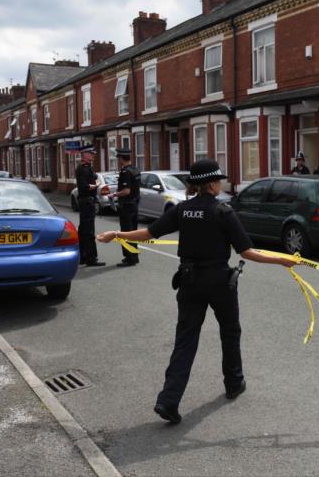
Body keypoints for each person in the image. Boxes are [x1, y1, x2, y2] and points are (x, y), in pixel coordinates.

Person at [97, 159, 296, 424]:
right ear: (212, 183)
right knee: (230, 331)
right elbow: (247, 252)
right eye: (220, 180)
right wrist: (283, 260)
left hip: (189, 280)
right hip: (219, 282)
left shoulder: (183, 209)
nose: (222, 183)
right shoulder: (223, 212)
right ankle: (234, 383)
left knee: (186, 340)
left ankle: (168, 400)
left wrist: (116, 234)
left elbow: (148, 233)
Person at [75, 144, 105, 267]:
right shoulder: (82, 168)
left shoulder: (88, 167)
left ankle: (83, 256)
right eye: (91, 153)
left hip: (88, 201)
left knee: (83, 231)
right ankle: (91, 259)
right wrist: (95, 185)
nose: (93, 155)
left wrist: (96, 182)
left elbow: (95, 179)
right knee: (88, 231)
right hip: (87, 202)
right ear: (85, 155)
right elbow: (84, 186)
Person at [111, 147, 140, 267]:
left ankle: (129, 258)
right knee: (133, 232)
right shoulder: (136, 170)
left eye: (119, 158)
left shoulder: (125, 172)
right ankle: (134, 256)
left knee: (126, 232)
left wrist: (114, 194)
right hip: (134, 205)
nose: (118, 161)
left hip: (126, 206)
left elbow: (126, 191)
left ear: (121, 159)